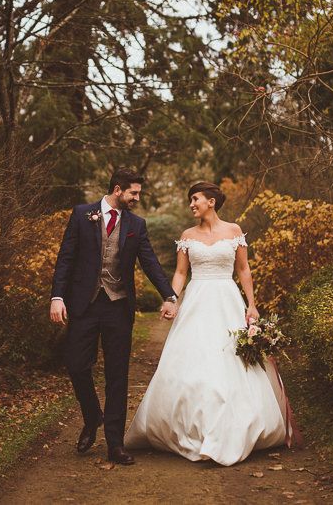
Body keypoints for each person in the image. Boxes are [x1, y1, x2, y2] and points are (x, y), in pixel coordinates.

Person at [125, 181, 299, 465]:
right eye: (190, 200)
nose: (191, 204)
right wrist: (172, 298)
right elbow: (181, 274)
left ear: (211, 202)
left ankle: (235, 428)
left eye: (195, 199)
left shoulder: (234, 231)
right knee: (194, 359)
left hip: (227, 300)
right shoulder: (187, 235)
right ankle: (188, 427)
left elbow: (243, 269)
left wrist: (252, 305)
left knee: (232, 361)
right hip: (196, 300)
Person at [50, 168, 178, 466]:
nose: (137, 198)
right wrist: (57, 296)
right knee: (76, 364)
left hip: (118, 307)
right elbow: (65, 258)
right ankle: (92, 414)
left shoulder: (136, 224)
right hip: (84, 304)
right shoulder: (83, 214)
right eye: (134, 193)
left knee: (117, 375)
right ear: (118, 190)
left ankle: (115, 445)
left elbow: (150, 263)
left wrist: (168, 295)